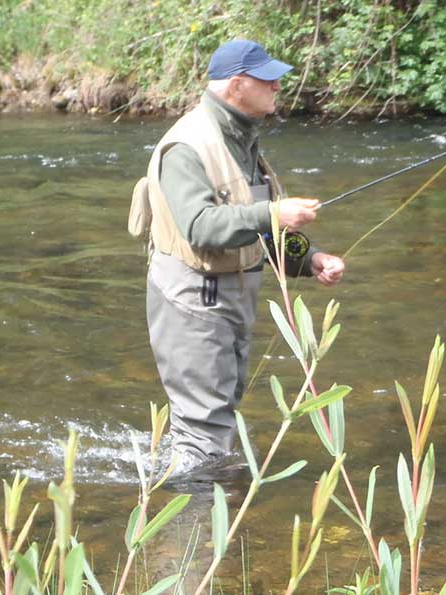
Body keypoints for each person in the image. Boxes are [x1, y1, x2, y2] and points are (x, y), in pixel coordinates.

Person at [131, 39, 345, 476]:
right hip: (192, 301)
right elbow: (201, 225)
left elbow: (259, 229)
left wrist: (312, 259)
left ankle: (204, 513)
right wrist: (274, 212)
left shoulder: (241, 139)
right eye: (268, 79)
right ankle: (194, 533)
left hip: (227, 299)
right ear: (237, 85)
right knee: (205, 429)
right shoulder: (187, 147)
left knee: (217, 418)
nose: (278, 85)